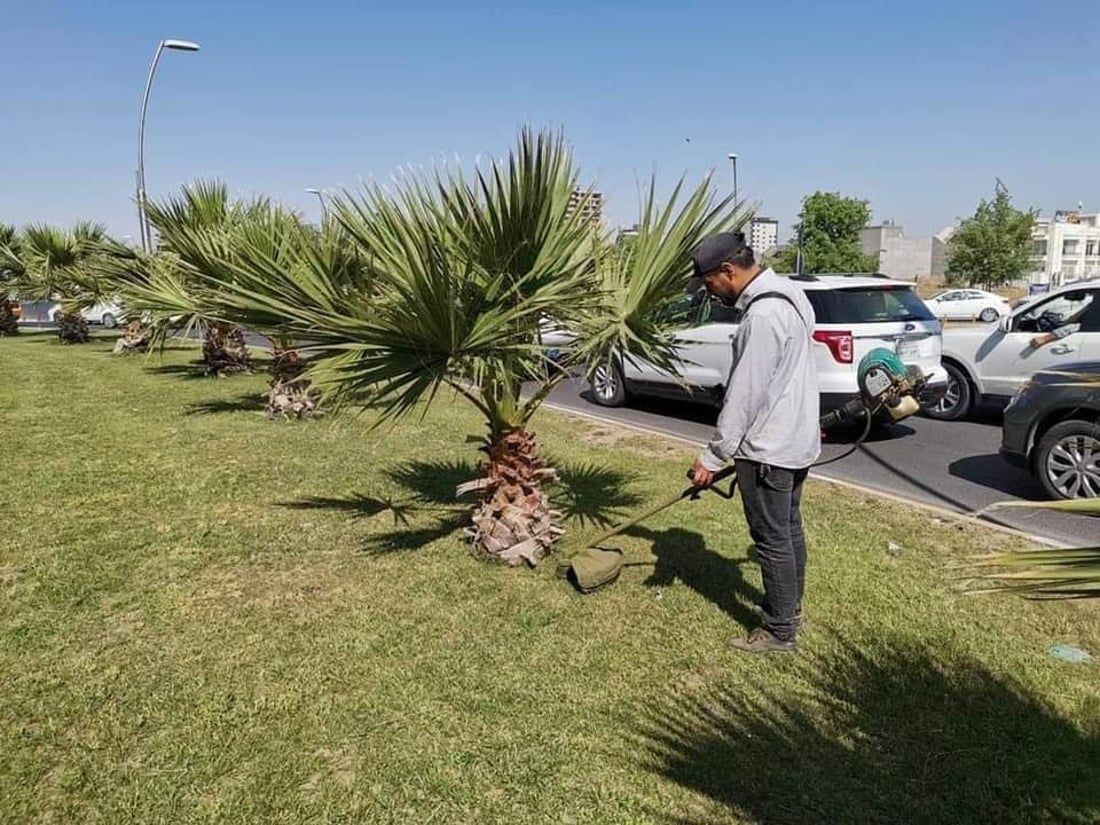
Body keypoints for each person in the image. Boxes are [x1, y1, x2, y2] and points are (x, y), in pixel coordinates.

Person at [688, 232, 820, 654]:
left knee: (771, 538)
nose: (710, 292)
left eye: (709, 283)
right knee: (788, 530)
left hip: (769, 448)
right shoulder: (792, 295)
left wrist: (712, 457)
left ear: (728, 271)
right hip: (796, 441)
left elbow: (745, 395)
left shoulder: (762, 317)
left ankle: (780, 631)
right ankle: (790, 610)